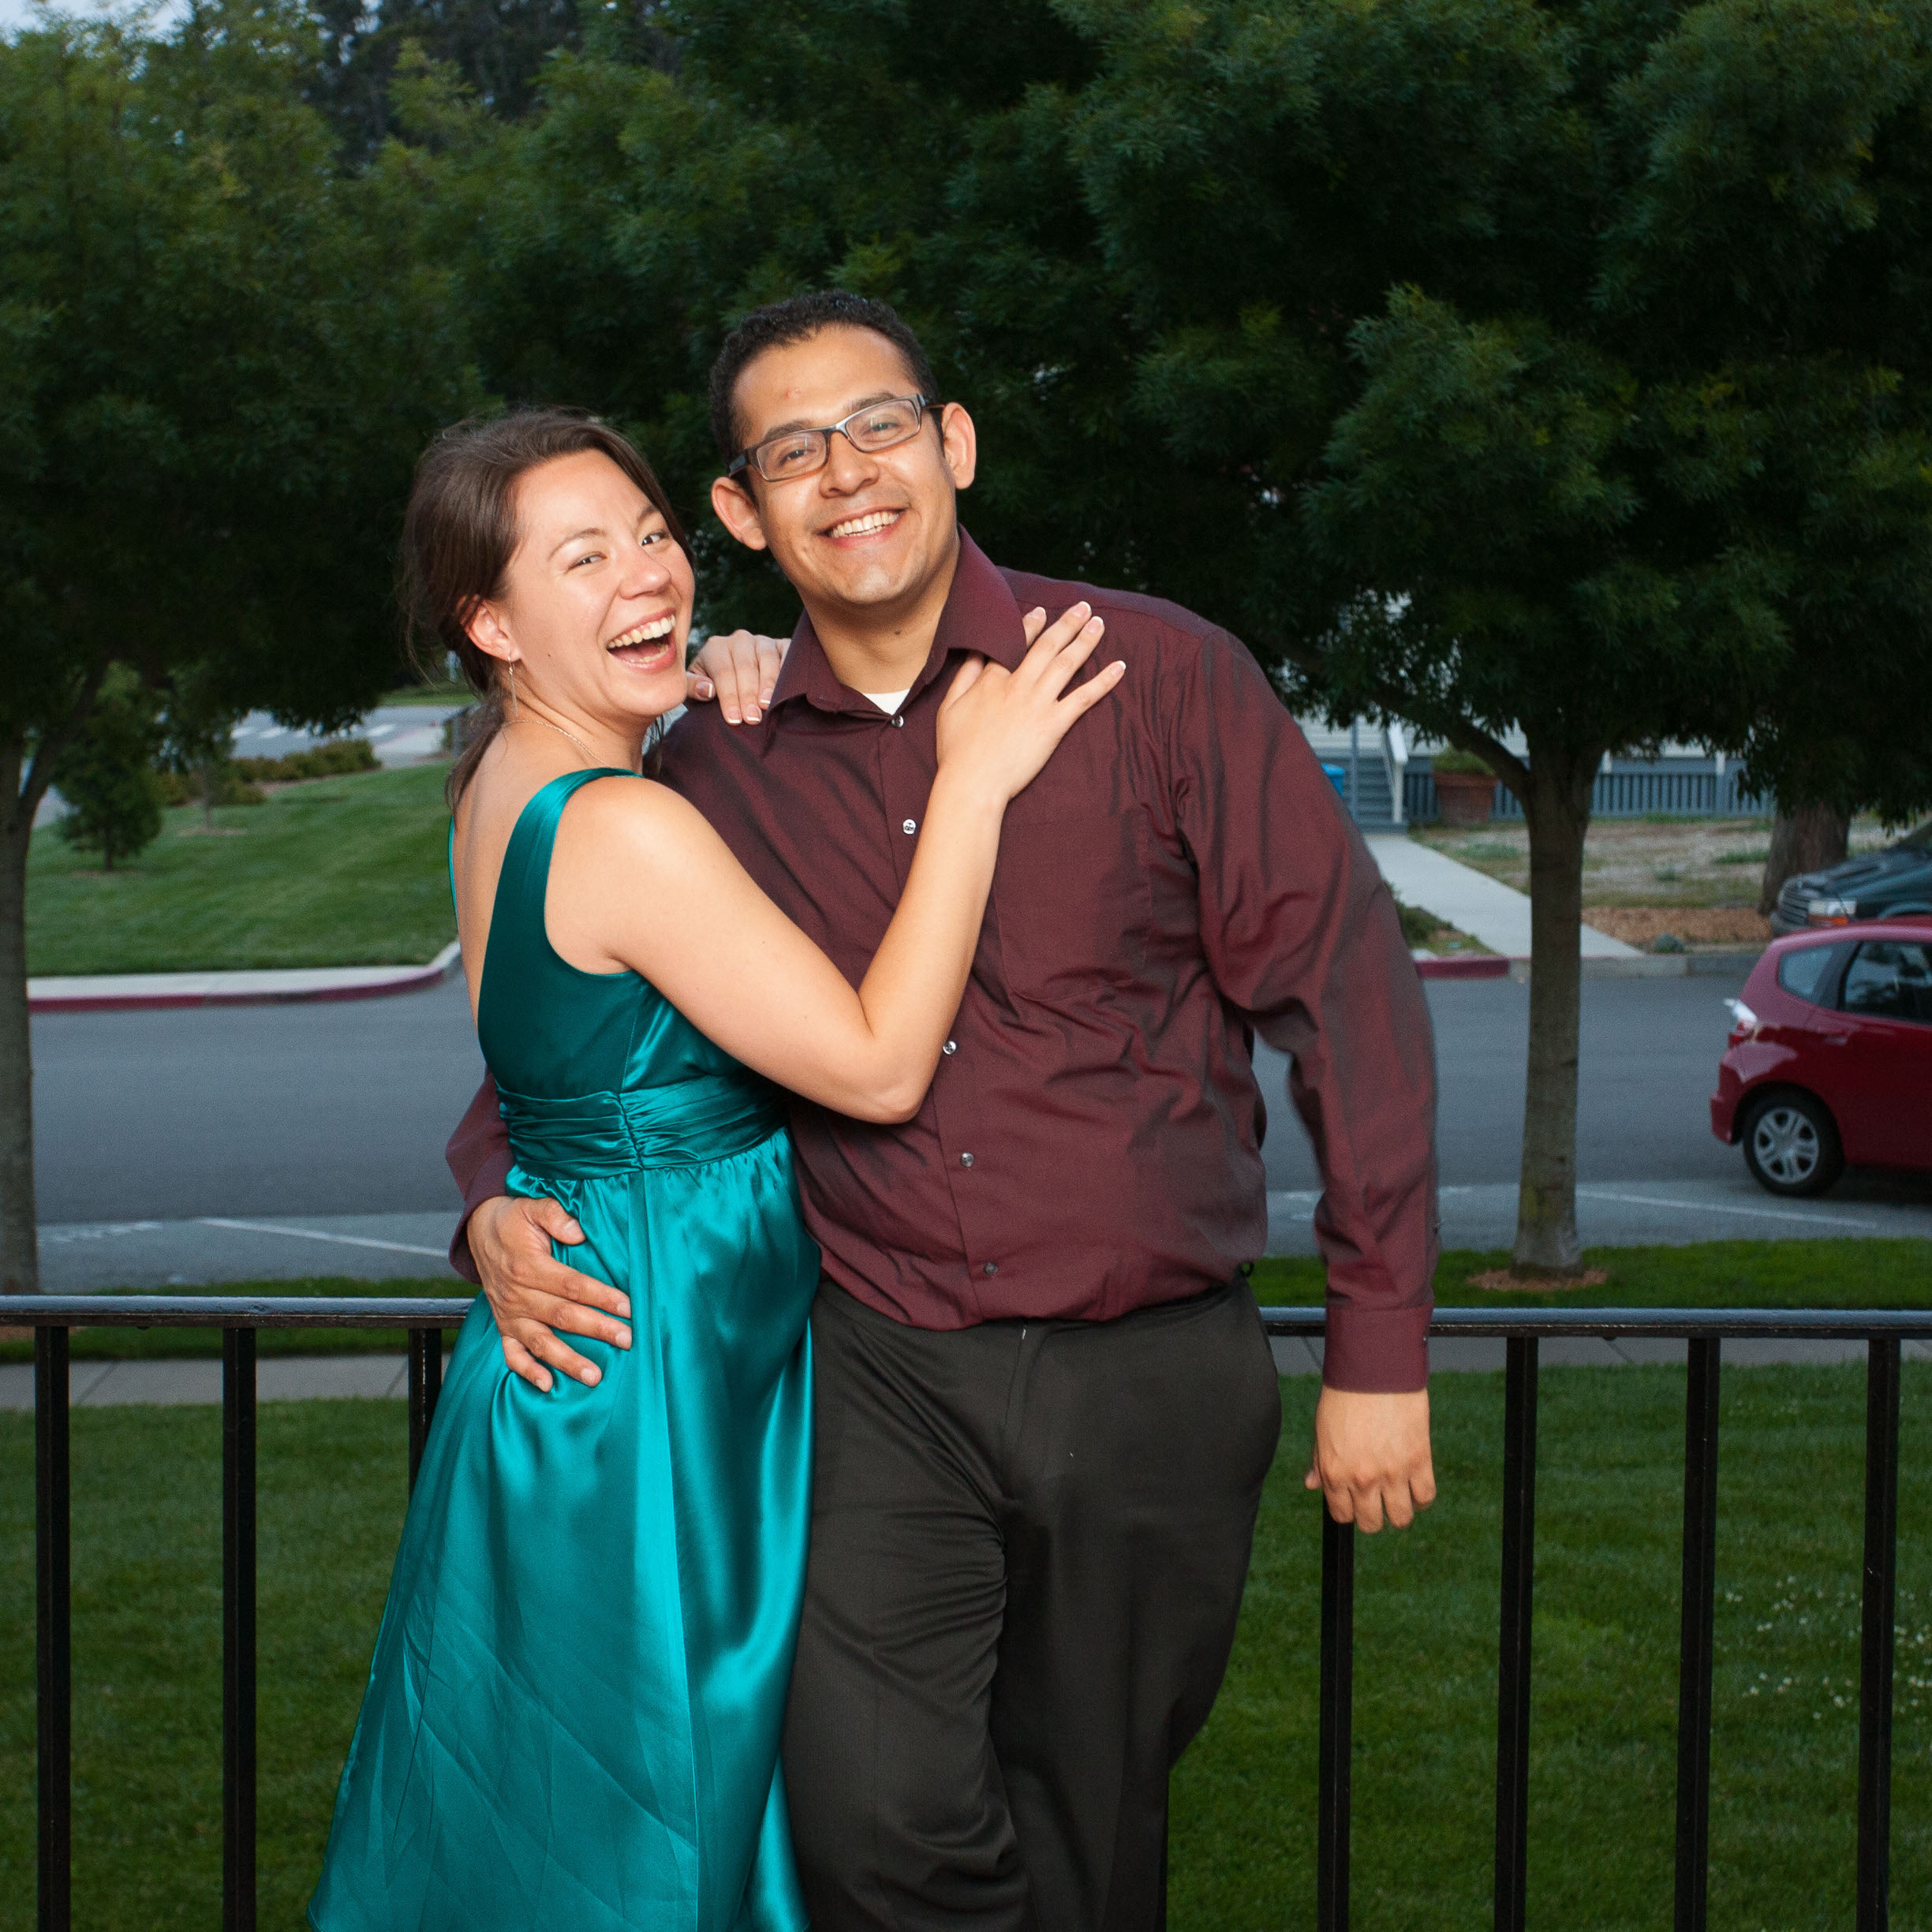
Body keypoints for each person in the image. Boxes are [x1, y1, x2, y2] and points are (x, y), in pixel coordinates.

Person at [448, 292, 1441, 1932]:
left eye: (880, 425)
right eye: (791, 449)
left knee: (1092, 1830)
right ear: (743, 512)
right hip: (871, 1378)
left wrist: (1379, 1344)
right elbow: (574, 1019)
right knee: (868, 1822)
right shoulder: (715, 759)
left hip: (1152, 1372)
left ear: (954, 442)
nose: (846, 473)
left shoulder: (1162, 678)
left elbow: (1348, 1003)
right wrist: (494, 1194)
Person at [308, 405, 1122, 1932]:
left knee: (554, 1828)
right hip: (654, 1374)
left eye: (654, 536)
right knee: (654, 1831)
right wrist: (971, 779)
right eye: (582, 556)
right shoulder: (622, 827)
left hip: (599, 1349)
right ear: (489, 620)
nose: (648, 577)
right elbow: (878, 1065)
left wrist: (706, 687)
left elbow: (557, 1067)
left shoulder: (504, 777)